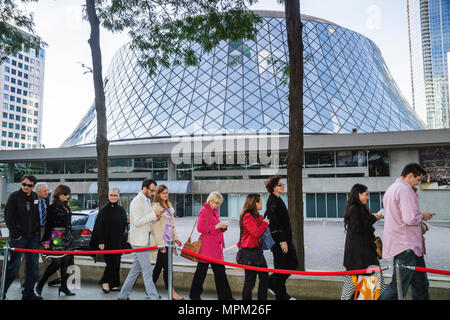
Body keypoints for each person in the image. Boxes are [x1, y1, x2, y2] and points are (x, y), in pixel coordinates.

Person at [378, 163, 436, 300]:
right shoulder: (405, 190)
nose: (417, 184)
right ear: (410, 175)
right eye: (418, 179)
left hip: (403, 245)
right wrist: (422, 216)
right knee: (398, 287)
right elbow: (410, 218)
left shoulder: (391, 189)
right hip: (407, 245)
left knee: (420, 285)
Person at [118, 178, 163, 300]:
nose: (153, 193)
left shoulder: (146, 200)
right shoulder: (137, 201)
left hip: (142, 240)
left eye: (154, 191)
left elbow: (145, 219)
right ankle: (154, 297)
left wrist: (155, 217)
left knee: (136, 269)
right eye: (152, 190)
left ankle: (123, 296)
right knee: (147, 270)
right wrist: (154, 215)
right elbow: (137, 222)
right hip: (139, 241)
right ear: (144, 188)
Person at [340, 183, 384, 300]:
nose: (367, 197)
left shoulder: (358, 208)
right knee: (353, 289)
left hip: (361, 257)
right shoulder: (355, 209)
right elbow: (358, 228)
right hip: (359, 257)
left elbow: (361, 226)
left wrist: (373, 217)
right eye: (366, 194)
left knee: (363, 288)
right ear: (358, 194)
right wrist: (374, 217)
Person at [2, 175, 42, 300]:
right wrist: (16, 234)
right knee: (13, 267)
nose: (25, 187)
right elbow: (8, 216)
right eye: (23, 184)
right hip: (19, 238)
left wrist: (37, 233)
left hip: (33, 238)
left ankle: (28, 294)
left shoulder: (35, 196)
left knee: (33, 267)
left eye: (29, 185)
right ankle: (1, 293)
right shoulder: (14, 196)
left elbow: (36, 216)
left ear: (33, 186)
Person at [189, 192, 234, 300]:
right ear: (210, 200)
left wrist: (222, 227)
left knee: (219, 273)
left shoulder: (214, 211)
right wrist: (216, 226)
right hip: (207, 247)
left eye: (219, 203)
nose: (217, 205)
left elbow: (214, 226)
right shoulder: (204, 210)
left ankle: (225, 297)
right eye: (216, 203)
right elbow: (200, 228)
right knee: (202, 273)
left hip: (215, 247)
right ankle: (195, 296)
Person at [36, 185, 76, 297]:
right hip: (56, 235)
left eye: (69, 194)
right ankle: (41, 283)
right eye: (65, 194)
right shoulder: (52, 207)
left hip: (67, 236)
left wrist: (71, 236)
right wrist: (45, 241)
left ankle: (64, 287)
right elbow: (48, 225)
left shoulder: (66, 206)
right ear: (59, 194)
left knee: (68, 262)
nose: (68, 196)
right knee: (56, 263)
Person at [264, 175, 298, 300]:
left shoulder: (277, 199)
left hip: (285, 240)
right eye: (280, 185)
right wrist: (282, 241)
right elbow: (274, 222)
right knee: (281, 268)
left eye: (283, 184)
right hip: (279, 241)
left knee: (293, 263)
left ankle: (271, 282)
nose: (283, 186)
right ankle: (282, 295)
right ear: (273, 188)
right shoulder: (272, 201)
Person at [90, 188, 128, 293]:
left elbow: (124, 224)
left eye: (115, 195)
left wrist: (127, 222)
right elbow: (99, 227)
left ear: (118, 196)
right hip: (107, 242)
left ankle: (114, 284)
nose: (113, 197)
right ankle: (104, 281)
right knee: (111, 264)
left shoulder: (121, 209)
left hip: (118, 241)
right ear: (108, 196)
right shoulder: (104, 210)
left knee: (117, 263)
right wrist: (101, 242)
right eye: (111, 195)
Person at [150, 184, 184, 300]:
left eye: (167, 192)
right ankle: (172, 293)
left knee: (159, 267)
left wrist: (177, 238)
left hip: (169, 242)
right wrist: (161, 245)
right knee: (167, 268)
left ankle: (150, 289)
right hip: (162, 243)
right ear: (158, 194)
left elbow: (172, 225)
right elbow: (156, 228)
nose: (165, 195)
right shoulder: (156, 207)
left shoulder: (169, 205)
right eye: (163, 193)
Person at [238, 193, 270, 300]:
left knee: (264, 277)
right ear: (254, 203)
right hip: (249, 252)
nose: (262, 203)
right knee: (250, 281)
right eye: (260, 201)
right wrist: (265, 223)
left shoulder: (256, 216)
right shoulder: (247, 216)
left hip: (256, 251)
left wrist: (263, 221)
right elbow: (256, 232)